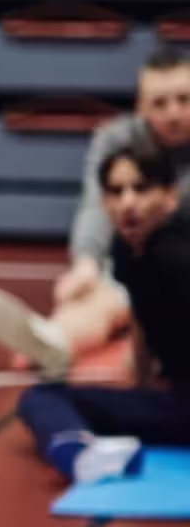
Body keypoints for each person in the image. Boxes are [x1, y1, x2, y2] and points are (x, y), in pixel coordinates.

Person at [0, 46, 190, 377]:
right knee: (107, 289)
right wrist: (86, 263)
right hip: (143, 260)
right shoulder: (115, 139)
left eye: (184, 99)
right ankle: (54, 340)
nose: (174, 113)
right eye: (160, 103)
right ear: (140, 107)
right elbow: (96, 203)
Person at [15, 136, 190, 485]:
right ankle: (80, 450)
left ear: (170, 196)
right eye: (116, 191)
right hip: (176, 401)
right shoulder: (127, 250)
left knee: (42, 397)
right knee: (43, 396)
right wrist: (141, 385)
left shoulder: (177, 255)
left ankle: (79, 452)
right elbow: (141, 319)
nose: (127, 203)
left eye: (141, 189)